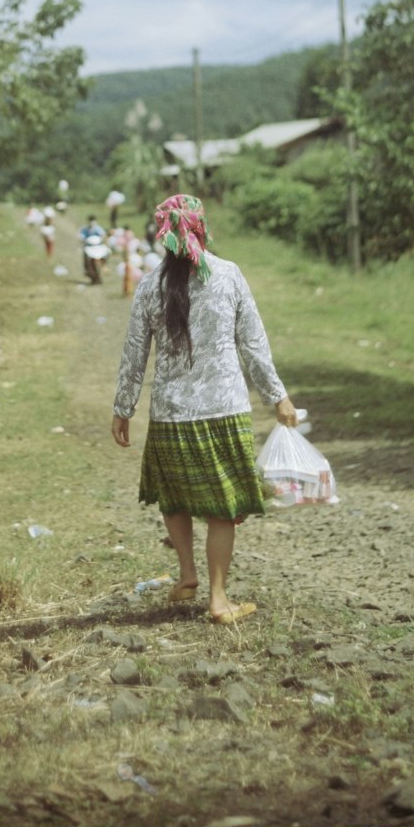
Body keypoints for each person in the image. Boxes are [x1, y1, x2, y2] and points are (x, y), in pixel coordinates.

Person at [111, 193, 297, 626]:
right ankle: (217, 598)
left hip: (171, 415)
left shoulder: (148, 287)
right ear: (201, 229)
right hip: (223, 410)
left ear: (163, 237)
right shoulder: (229, 276)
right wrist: (278, 397)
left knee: (173, 497)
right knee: (222, 506)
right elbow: (253, 344)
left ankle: (187, 574)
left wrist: (123, 408)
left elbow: (133, 355)